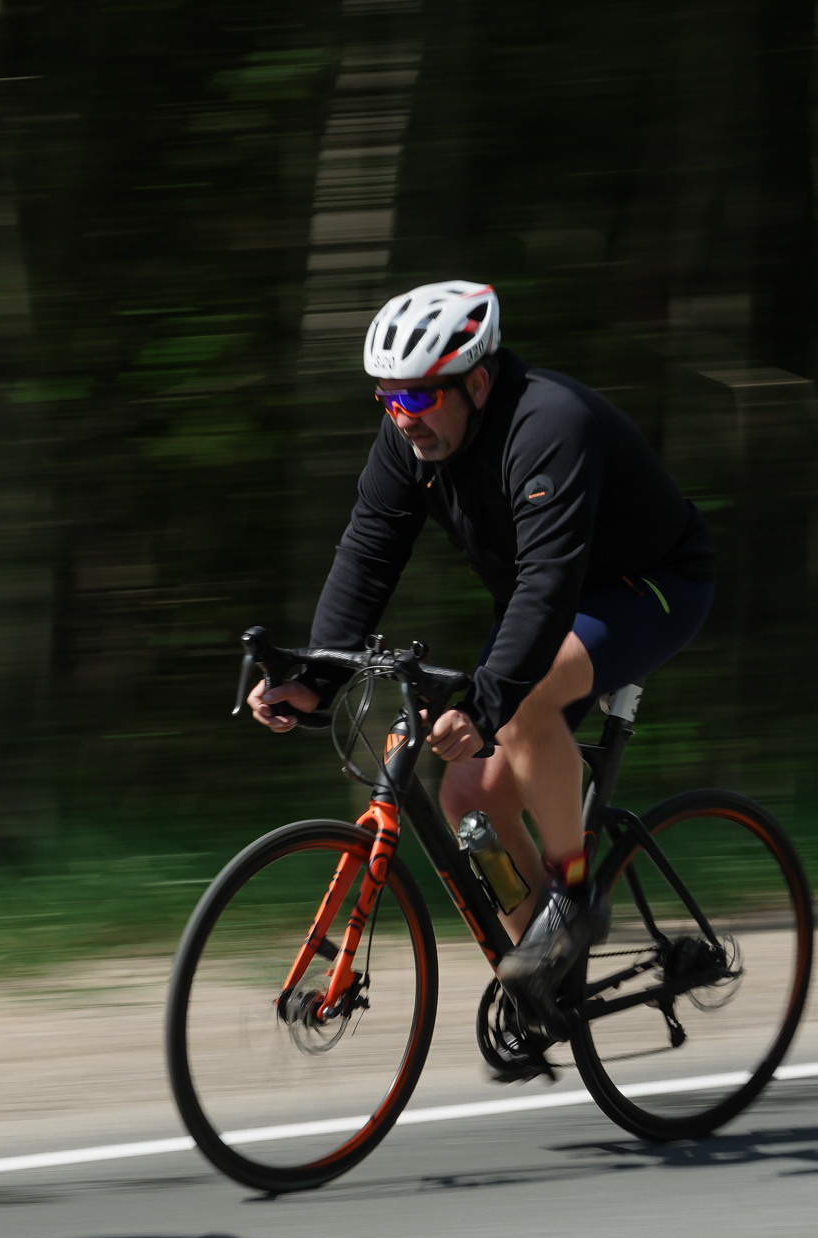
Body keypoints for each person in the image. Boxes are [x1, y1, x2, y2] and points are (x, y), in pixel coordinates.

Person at [248, 281, 715, 1067]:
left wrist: (491, 699)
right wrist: (316, 678)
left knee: (525, 701)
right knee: (468, 792)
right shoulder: (408, 441)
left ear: (477, 382)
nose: (406, 416)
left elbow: (550, 581)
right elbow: (367, 553)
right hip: (549, 597)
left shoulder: (547, 425)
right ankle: (545, 976)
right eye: (389, 398)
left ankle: (574, 897)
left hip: (649, 585)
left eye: (422, 396)